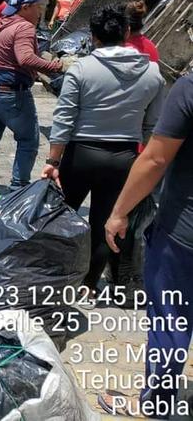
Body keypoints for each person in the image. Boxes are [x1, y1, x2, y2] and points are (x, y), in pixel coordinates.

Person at [41, 3, 164, 297]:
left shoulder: (82, 69)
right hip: (124, 158)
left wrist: (51, 160)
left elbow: (64, 119)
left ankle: (55, 279)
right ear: (127, 32)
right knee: (107, 223)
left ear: (93, 37)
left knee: (62, 217)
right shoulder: (152, 73)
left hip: (80, 154)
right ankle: (88, 287)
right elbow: (152, 127)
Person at [98, 73, 193, 417]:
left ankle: (157, 402)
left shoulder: (189, 88)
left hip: (183, 236)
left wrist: (119, 212)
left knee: (171, 318)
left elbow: (155, 159)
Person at [0, 0, 63, 210]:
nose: (40, 11)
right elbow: (25, 58)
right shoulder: (23, 27)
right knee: (28, 141)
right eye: (38, 7)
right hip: (11, 93)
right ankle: (17, 190)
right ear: (26, 7)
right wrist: (55, 66)